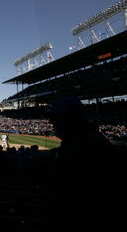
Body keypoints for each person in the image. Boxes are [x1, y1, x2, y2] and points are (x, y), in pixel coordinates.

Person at [46, 96, 125, 231]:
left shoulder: (82, 147)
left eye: (56, 119)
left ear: (71, 119)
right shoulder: (89, 139)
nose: (52, 123)